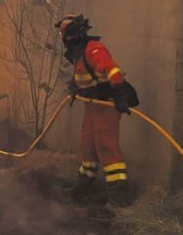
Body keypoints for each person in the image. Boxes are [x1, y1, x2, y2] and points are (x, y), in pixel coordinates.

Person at [56, 14, 139, 206]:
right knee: (87, 145)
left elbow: (114, 73)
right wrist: (75, 86)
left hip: (106, 105)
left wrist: (119, 97)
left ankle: (119, 197)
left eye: (63, 33)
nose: (62, 37)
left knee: (106, 147)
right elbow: (84, 74)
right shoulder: (80, 52)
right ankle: (85, 185)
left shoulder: (93, 49)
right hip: (93, 105)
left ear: (72, 34)